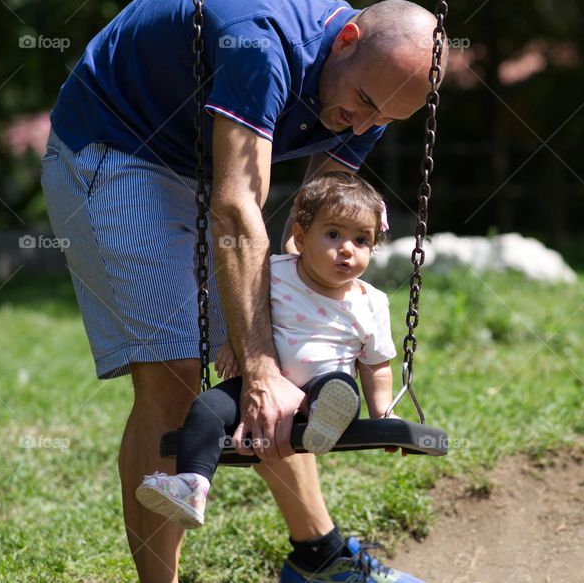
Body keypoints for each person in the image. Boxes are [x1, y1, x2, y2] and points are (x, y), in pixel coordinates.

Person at [41, 0, 440, 583]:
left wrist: (311, 318)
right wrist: (255, 366)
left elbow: (310, 224)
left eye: (382, 120)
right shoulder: (262, 41)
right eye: (361, 104)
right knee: (174, 375)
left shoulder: (371, 93)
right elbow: (236, 203)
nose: (361, 126)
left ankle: (319, 558)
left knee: (287, 355)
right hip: (116, 152)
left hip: (196, 165)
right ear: (347, 41)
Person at [135, 172, 397, 529]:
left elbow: (376, 364)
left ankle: (322, 423)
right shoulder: (274, 272)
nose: (347, 249)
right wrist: (234, 343)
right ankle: (191, 485)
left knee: (339, 388)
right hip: (257, 387)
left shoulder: (371, 302)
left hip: (321, 392)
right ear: (301, 239)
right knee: (206, 408)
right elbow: (247, 310)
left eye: (362, 240)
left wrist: (383, 413)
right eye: (333, 234)